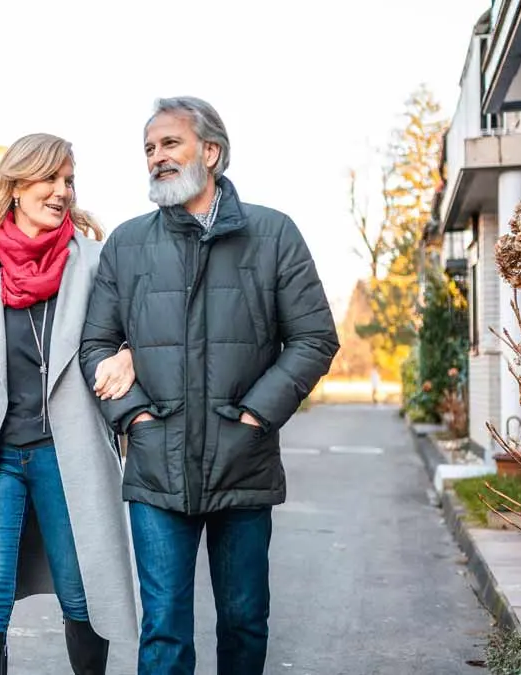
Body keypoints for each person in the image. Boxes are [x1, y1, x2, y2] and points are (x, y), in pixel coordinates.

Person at [80, 96, 340, 675]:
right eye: (148, 149)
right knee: (164, 628)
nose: (156, 158)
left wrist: (254, 418)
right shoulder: (127, 243)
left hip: (242, 465)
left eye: (170, 144)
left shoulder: (273, 234)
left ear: (212, 152)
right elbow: (94, 346)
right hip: (155, 467)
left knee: (245, 620)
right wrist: (135, 419)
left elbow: (314, 339)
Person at [0, 133, 139, 675]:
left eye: (69, 181)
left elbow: (130, 333)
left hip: (70, 456)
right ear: (16, 186)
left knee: (82, 592)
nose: (62, 191)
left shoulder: (93, 262)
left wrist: (129, 357)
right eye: (50, 178)